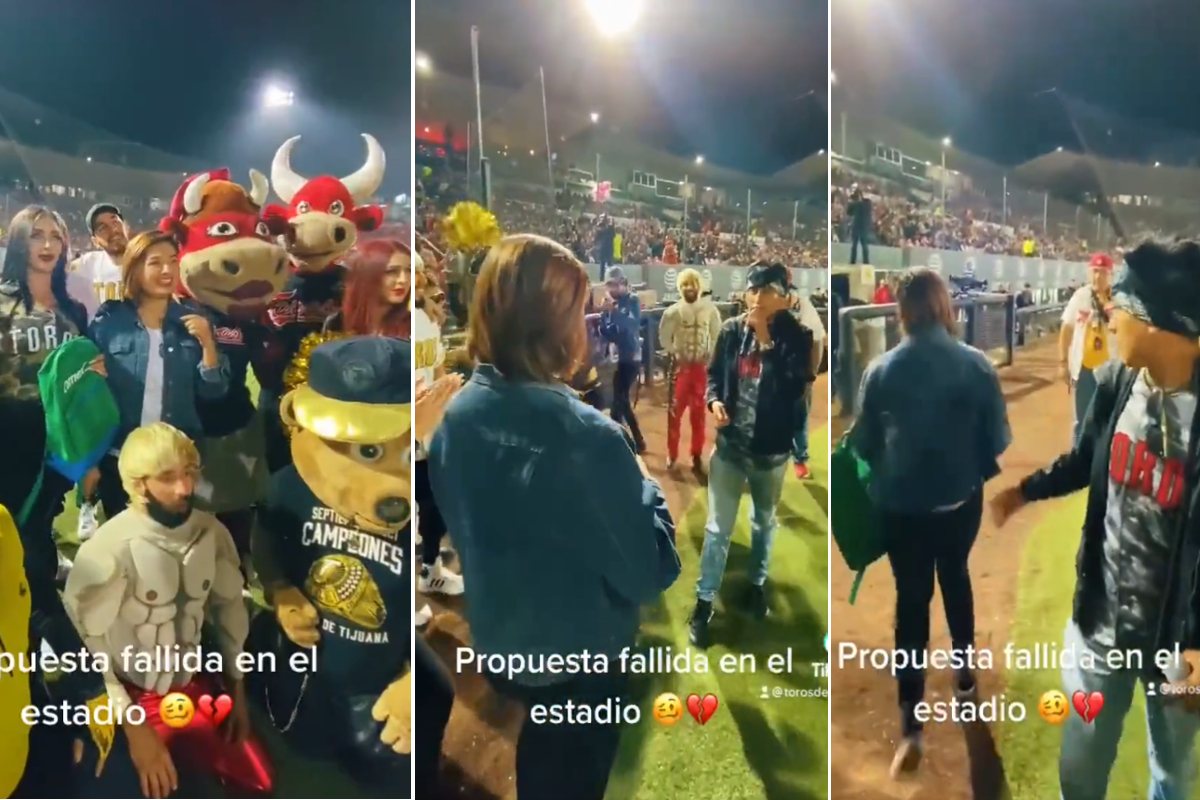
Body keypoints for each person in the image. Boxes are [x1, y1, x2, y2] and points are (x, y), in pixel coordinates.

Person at [428, 234, 680, 800]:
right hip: (578, 659)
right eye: (579, 310)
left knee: (543, 744)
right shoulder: (588, 436)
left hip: (502, 641)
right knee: (567, 770)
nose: (587, 323)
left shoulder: (458, 410)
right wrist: (646, 487)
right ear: (551, 324)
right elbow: (649, 572)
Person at [992, 237, 1200, 800]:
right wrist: (1025, 491)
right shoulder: (1118, 380)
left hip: (1176, 639)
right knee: (1079, 775)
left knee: (1173, 777)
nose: (1110, 317)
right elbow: (1088, 458)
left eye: (1122, 308)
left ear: (1163, 322)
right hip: (1101, 617)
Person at [851, 268, 1010, 777]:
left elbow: (864, 446)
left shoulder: (880, 369)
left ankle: (911, 726)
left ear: (901, 312)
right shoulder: (977, 364)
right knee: (956, 578)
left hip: (902, 508)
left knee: (911, 603)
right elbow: (997, 443)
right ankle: (965, 678)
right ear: (945, 307)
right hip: (959, 502)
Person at [64, 423, 272, 798]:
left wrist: (236, 693)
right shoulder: (107, 550)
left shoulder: (211, 533)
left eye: (190, 473)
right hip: (129, 697)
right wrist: (132, 725)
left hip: (192, 688)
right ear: (139, 483)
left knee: (259, 780)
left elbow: (230, 616)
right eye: (168, 477)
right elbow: (83, 649)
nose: (185, 488)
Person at [247, 337, 414, 796]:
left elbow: (459, 599)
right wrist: (280, 590)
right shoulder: (290, 487)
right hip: (304, 675)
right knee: (302, 748)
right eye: (364, 451)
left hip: (378, 685)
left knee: (389, 765)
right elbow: (266, 540)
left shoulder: (430, 499)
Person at [688, 263, 815, 648]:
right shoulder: (730, 331)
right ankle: (704, 602)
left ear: (783, 295)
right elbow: (714, 376)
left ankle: (757, 584)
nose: (757, 297)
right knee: (717, 529)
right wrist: (714, 402)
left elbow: (795, 390)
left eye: (766, 290)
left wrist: (766, 342)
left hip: (770, 453)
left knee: (763, 523)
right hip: (730, 448)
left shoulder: (799, 336)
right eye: (753, 289)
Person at [88, 231, 230, 519]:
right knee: (126, 543)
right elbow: (88, 392)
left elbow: (213, 392)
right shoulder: (109, 321)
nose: (167, 270)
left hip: (177, 462)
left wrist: (207, 344)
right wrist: (93, 373)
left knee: (177, 538)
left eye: (172, 261)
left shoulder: (195, 320)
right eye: (155, 263)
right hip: (121, 456)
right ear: (135, 269)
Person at [412, 264, 463, 596]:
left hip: (429, 427)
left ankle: (429, 564)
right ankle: (426, 569)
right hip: (409, 426)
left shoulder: (427, 320)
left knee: (433, 502)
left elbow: (438, 367)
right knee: (423, 504)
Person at [659, 267, 721, 473]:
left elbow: (716, 336)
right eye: (685, 285)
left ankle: (696, 454)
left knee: (698, 415)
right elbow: (663, 337)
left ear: (699, 286)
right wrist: (675, 353)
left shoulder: (711, 310)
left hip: (701, 370)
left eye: (693, 284)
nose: (689, 288)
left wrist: (710, 356)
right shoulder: (673, 312)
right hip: (681, 370)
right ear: (680, 287)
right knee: (674, 414)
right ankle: (672, 453)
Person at [1060, 253, 1117, 441]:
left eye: (1102, 272)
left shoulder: (1119, 299)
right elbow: (1066, 329)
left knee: (1108, 419)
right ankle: (1078, 461)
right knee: (1081, 418)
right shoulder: (1080, 296)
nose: (1098, 277)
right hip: (1084, 367)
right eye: (1094, 272)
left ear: (1111, 275)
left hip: (1110, 369)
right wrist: (1062, 363)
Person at [599, 265, 646, 452]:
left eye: (614, 285)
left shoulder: (632, 300)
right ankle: (618, 439)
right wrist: (604, 314)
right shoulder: (613, 304)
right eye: (608, 285)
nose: (611, 289)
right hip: (618, 357)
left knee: (621, 399)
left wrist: (613, 311)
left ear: (624, 284)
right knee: (618, 401)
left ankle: (635, 439)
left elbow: (632, 325)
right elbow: (609, 332)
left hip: (631, 357)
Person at [325, 238, 411, 338]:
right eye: (391, 272)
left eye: (409, 270)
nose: (403, 280)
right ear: (368, 275)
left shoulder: (413, 325)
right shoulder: (336, 323)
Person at [790, 287, 827, 480]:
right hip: (774, 372)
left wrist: (811, 375)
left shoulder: (803, 305)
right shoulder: (766, 304)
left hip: (798, 373)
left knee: (799, 416)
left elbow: (819, 340)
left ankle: (800, 459)